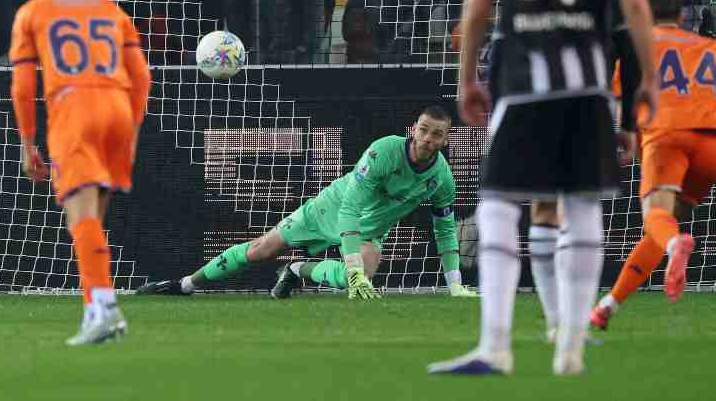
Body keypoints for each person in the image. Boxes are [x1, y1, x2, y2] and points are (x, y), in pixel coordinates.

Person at [429, 0, 658, 377]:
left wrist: (467, 77)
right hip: (588, 82)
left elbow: (479, 10)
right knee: (582, 207)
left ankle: (495, 344)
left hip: (524, 79)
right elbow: (634, 8)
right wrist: (648, 76)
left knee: (499, 206)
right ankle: (571, 346)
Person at [590, 0, 716, 329]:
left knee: (657, 220)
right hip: (715, 146)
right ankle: (608, 305)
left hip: (667, 137)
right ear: (682, 16)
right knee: (664, 226)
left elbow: (619, 103)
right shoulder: (713, 46)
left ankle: (676, 245)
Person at [136, 107, 476, 298]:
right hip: (330, 209)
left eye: (438, 134)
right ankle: (184, 285)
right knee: (260, 250)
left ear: (447, 139)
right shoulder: (384, 150)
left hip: (370, 229)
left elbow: (445, 229)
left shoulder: (442, 179)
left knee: (360, 278)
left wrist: (456, 284)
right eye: (424, 130)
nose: (429, 139)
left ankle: (297, 270)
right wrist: (354, 262)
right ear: (413, 129)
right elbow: (349, 209)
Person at [9, 0, 152, 346]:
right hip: (118, 109)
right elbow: (141, 77)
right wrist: (134, 127)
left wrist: (27, 143)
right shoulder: (109, 8)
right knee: (91, 221)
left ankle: (105, 308)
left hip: (75, 109)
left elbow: (22, 86)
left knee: (81, 217)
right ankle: (97, 308)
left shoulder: (32, 12)